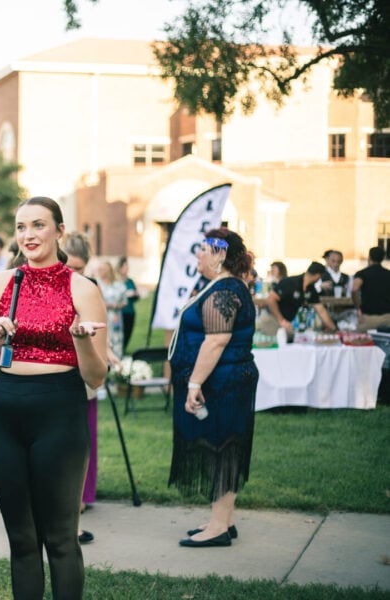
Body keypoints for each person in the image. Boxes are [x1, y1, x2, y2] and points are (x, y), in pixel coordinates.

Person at [0, 197, 108, 599]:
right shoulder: (1, 283)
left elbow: (96, 376)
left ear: (59, 231)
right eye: (21, 227)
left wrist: (80, 341)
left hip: (60, 412)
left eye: (38, 225)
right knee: (21, 540)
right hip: (6, 412)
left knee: (61, 539)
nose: (28, 235)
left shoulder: (82, 288)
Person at [167, 227, 258, 548]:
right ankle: (223, 520)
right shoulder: (221, 286)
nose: (198, 254)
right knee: (223, 445)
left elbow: (216, 341)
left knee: (224, 447)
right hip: (222, 381)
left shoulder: (225, 291)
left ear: (220, 254)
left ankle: (219, 527)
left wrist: (194, 383)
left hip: (224, 383)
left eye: (203, 249)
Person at [61, 231, 100, 544]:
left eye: (80, 268)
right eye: (71, 267)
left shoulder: (90, 289)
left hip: (84, 370)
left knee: (83, 440)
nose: (75, 274)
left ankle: (81, 497)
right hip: (56, 372)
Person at [259, 262, 337, 337]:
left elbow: (322, 311)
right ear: (318, 276)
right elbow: (270, 300)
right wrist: (281, 320)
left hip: (286, 322)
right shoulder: (290, 282)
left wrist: (335, 329)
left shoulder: (311, 289)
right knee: (273, 345)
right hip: (272, 318)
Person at [352, 246, 390, 332]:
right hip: (388, 317)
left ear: (369, 257)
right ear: (383, 258)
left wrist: (358, 308)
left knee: (363, 339)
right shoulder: (388, 274)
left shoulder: (362, 273)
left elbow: (354, 289)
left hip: (368, 318)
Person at [96, 259, 128, 358]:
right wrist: (105, 305)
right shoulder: (96, 284)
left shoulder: (118, 285)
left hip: (115, 317)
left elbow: (125, 301)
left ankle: (117, 360)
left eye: (102, 269)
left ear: (108, 270)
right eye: (99, 269)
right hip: (101, 316)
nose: (100, 271)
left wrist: (117, 306)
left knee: (117, 338)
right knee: (102, 337)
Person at [118, 256, 140, 350]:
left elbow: (136, 295)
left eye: (127, 267)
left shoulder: (130, 281)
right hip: (120, 312)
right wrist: (126, 294)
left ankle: (123, 349)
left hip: (130, 312)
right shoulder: (117, 281)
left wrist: (135, 294)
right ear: (120, 268)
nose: (127, 269)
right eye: (125, 267)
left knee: (128, 332)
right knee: (119, 332)